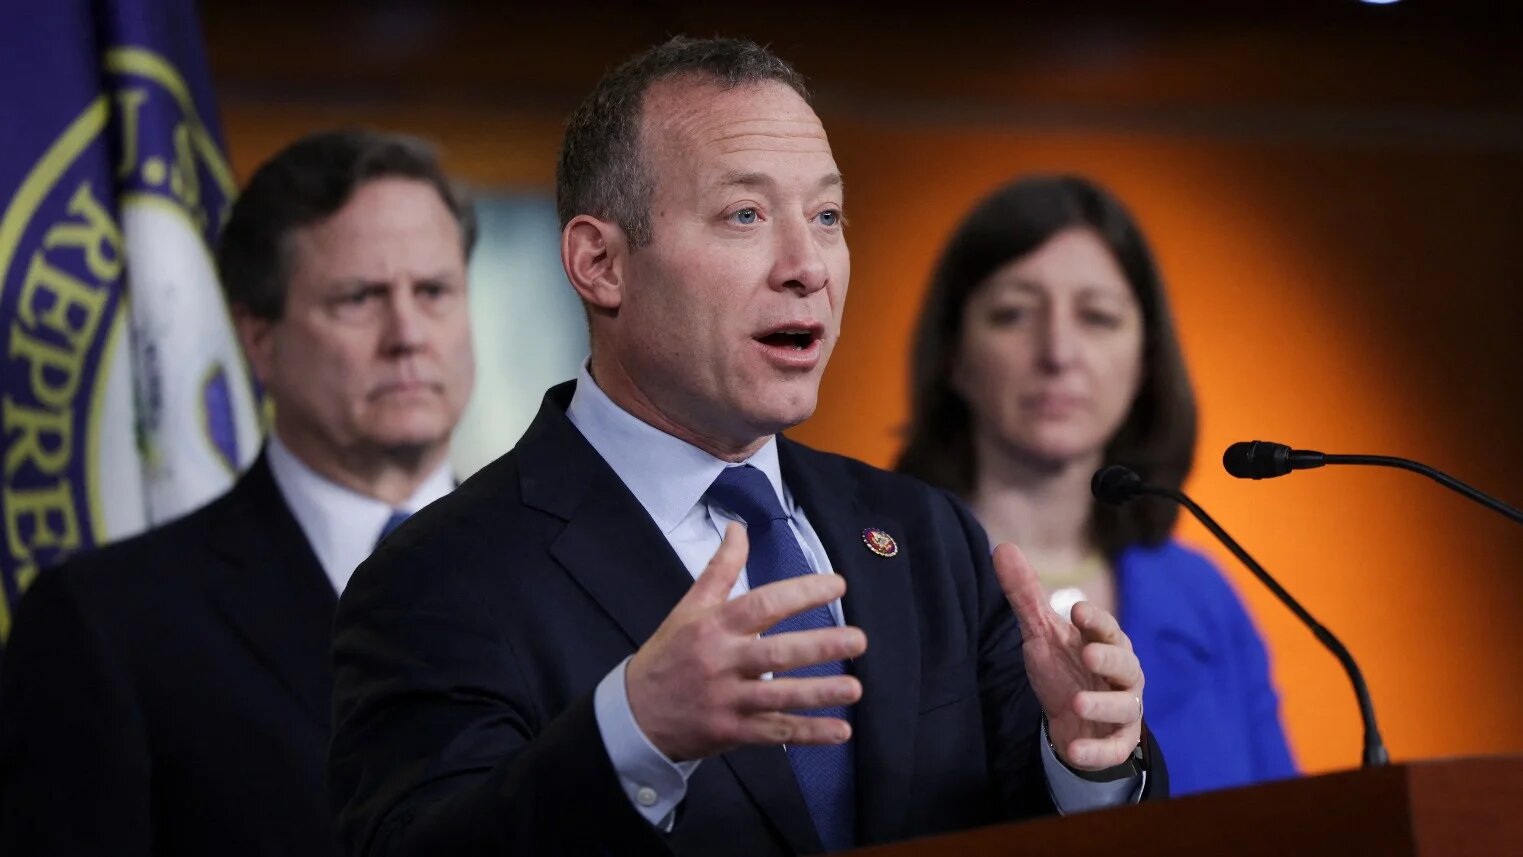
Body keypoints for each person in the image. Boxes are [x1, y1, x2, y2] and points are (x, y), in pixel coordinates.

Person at [329, 38, 1169, 857]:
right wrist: (633, 733)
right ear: (600, 263)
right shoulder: (437, 577)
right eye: (745, 215)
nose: (808, 266)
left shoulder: (924, 535)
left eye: (827, 216)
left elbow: (1020, 814)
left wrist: (1085, 762)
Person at [0, 129, 478, 856]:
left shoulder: (579, 567)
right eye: (359, 298)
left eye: (434, 292)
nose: (407, 334)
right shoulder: (106, 624)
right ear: (259, 339)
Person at [895, 175, 1297, 796]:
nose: (1058, 352)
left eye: (1098, 317)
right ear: (953, 354)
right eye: (1012, 314)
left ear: (1144, 361)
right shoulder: (891, 579)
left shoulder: (1204, 597)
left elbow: (1291, 824)